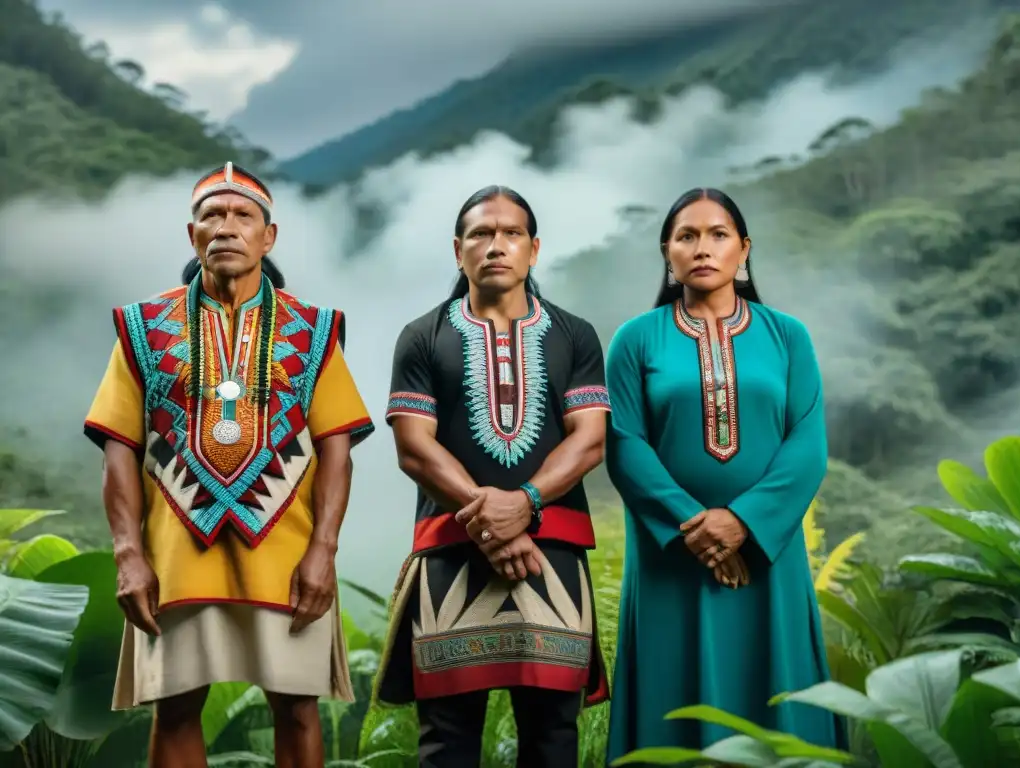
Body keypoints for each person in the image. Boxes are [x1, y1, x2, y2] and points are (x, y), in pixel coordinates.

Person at [83, 162, 375, 768]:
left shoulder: (314, 330)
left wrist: (324, 550)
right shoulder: (142, 329)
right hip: (176, 554)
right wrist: (128, 554)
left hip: (287, 555)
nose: (226, 226)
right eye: (212, 215)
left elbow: (335, 449)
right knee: (176, 708)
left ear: (269, 238)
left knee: (297, 709)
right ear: (192, 234)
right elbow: (120, 448)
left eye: (243, 215)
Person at [374, 185, 611, 767]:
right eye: (480, 234)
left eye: (510, 234)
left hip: (551, 554)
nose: (495, 245)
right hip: (451, 555)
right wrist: (495, 523)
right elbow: (413, 448)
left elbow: (590, 439)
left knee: (553, 736)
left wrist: (523, 502)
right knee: (446, 742)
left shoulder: (575, 335)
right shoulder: (422, 335)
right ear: (459, 251)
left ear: (534, 249)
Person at [604, 187, 842, 761]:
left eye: (718, 235)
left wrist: (743, 524)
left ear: (744, 249)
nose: (702, 247)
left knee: (777, 687)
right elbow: (625, 445)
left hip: (769, 554)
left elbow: (807, 445)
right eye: (687, 236)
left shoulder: (788, 336)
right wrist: (696, 524)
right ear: (668, 253)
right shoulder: (636, 339)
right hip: (670, 558)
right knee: (671, 687)